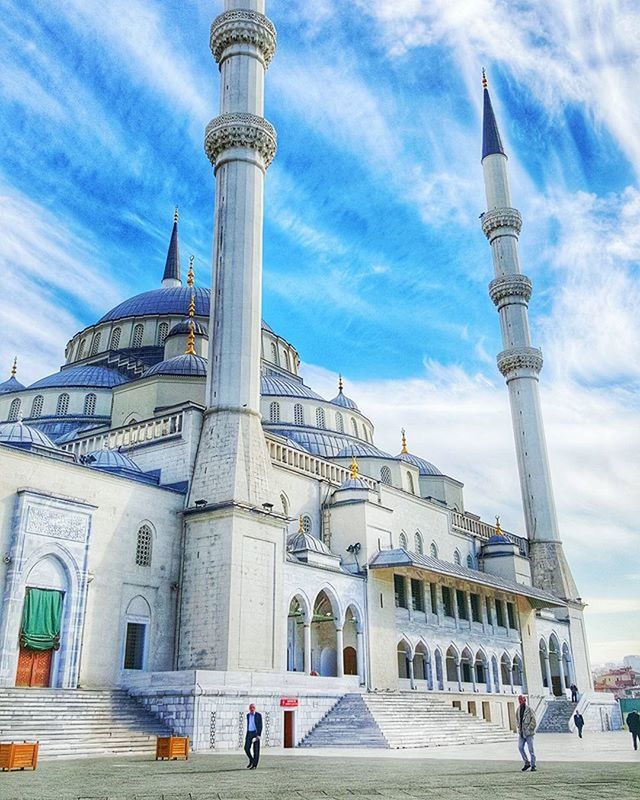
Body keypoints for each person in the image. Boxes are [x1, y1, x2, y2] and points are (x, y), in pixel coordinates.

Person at [517, 694, 537, 772]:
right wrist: (519, 728)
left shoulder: (529, 710)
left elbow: (534, 721)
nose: (520, 701)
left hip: (529, 733)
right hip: (521, 733)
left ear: (524, 700)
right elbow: (517, 720)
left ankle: (533, 765)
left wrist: (529, 729)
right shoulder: (518, 710)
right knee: (520, 747)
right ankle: (526, 763)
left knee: (531, 750)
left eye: (521, 699)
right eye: (519, 700)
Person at [244, 703, 262, 769]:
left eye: (253, 708)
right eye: (250, 708)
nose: (252, 709)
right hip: (249, 733)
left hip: (255, 733)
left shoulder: (258, 715)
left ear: (255, 708)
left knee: (256, 750)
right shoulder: (248, 715)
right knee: (246, 748)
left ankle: (254, 765)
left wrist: (259, 735)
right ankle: (251, 760)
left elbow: (260, 725)